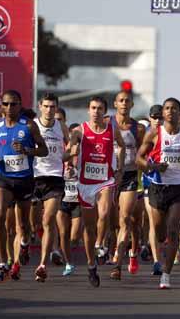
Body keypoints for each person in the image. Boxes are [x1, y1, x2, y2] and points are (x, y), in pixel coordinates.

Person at [0, 90, 48, 283]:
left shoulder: (29, 126)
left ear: (20, 105)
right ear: (1, 106)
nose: (9, 108)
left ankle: (25, 243)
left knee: (23, 226)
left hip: (24, 179)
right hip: (4, 178)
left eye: (13, 104)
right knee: (0, 215)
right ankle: (2, 263)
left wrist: (28, 150)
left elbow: (43, 149)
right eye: (6, 104)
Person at [136, 97, 180, 289]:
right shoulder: (154, 133)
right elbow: (139, 159)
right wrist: (153, 166)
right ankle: (158, 247)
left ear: (179, 112)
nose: (170, 111)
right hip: (158, 187)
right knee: (160, 232)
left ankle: (166, 274)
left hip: (179, 187)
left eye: (174, 108)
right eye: (167, 108)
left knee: (172, 228)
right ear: (163, 113)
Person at [67, 96, 125, 287]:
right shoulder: (80, 131)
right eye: (93, 108)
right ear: (88, 110)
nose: (96, 111)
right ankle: (91, 264)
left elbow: (122, 147)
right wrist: (71, 154)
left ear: (105, 111)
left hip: (105, 180)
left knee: (105, 212)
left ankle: (100, 245)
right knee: (89, 228)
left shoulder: (112, 129)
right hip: (85, 184)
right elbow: (67, 151)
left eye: (100, 108)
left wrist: (120, 170)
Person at [32, 93, 69, 282]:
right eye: (46, 106)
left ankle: (42, 264)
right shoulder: (32, 125)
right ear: (40, 106)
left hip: (55, 178)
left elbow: (70, 148)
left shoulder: (61, 127)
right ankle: (23, 244)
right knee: (32, 224)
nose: (49, 110)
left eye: (52, 107)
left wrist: (69, 159)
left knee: (48, 219)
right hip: (34, 177)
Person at [109, 91, 145, 280]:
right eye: (121, 100)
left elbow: (141, 154)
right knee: (111, 220)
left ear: (132, 105)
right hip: (107, 176)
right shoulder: (108, 124)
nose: (124, 104)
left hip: (130, 175)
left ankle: (118, 264)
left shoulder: (138, 128)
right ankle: (113, 246)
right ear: (115, 104)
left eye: (127, 101)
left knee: (125, 218)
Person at [141, 104, 164, 275]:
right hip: (149, 183)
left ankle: (157, 249)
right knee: (153, 222)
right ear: (150, 118)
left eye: (160, 117)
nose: (157, 120)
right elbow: (137, 158)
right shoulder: (145, 134)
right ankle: (157, 260)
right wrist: (150, 166)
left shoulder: (171, 134)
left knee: (163, 224)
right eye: (154, 117)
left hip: (169, 185)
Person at [57, 122, 81, 276]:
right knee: (63, 233)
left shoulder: (84, 152)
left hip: (78, 199)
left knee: (73, 238)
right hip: (63, 197)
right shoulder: (62, 151)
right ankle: (68, 263)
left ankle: (70, 258)